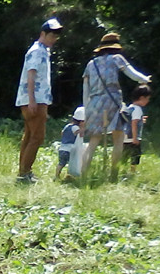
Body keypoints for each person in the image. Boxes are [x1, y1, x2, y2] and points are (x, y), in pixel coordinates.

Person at [78, 32, 152, 180]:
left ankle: (84, 175)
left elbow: (85, 89)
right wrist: (145, 80)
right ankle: (113, 174)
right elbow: (133, 74)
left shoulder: (91, 64)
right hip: (113, 102)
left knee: (93, 141)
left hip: (93, 103)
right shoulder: (117, 59)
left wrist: (87, 110)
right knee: (118, 138)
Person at [16, 18, 63, 183]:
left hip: (35, 98)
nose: (54, 39)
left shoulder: (42, 50)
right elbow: (31, 73)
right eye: (52, 35)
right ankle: (25, 173)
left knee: (29, 135)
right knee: (37, 137)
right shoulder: (37, 51)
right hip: (35, 99)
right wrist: (32, 99)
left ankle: (23, 171)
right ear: (43, 34)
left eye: (56, 36)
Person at [121, 85, 151, 168]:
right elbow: (134, 123)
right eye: (147, 98)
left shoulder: (130, 107)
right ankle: (132, 172)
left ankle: (122, 169)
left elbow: (130, 120)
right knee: (135, 155)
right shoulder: (138, 109)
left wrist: (141, 120)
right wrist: (135, 138)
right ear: (142, 98)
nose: (148, 101)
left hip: (125, 136)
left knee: (125, 155)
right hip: (133, 137)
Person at [56, 107, 86, 179]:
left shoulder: (68, 126)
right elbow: (80, 134)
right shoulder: (76, 128)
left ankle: (57, 175)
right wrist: (83, 129)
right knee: (71, 162)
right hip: (70, 149)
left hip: (62, 148)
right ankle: (70, 175)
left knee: (61, 163)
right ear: (81, 122)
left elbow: (62, 133)